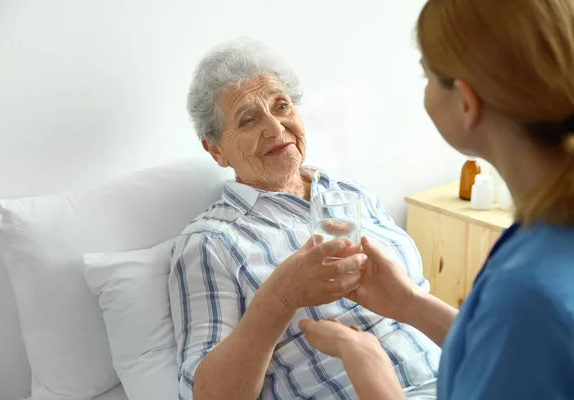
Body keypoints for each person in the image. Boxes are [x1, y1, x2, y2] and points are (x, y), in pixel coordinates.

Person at [299, 0, 574, 399]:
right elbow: (513, 355)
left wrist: (364, 358)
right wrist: (411, 303)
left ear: (466, 102)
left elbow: (522, 332)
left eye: (426, 76)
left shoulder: (526, 295)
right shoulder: (546, 230)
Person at [169, 38, 440, 400]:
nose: (276, 128)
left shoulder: (350, 193)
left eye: (281, 106)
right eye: (248, 120)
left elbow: (418, 295)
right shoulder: (210, 243)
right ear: (216, 149)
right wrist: (280, 298)